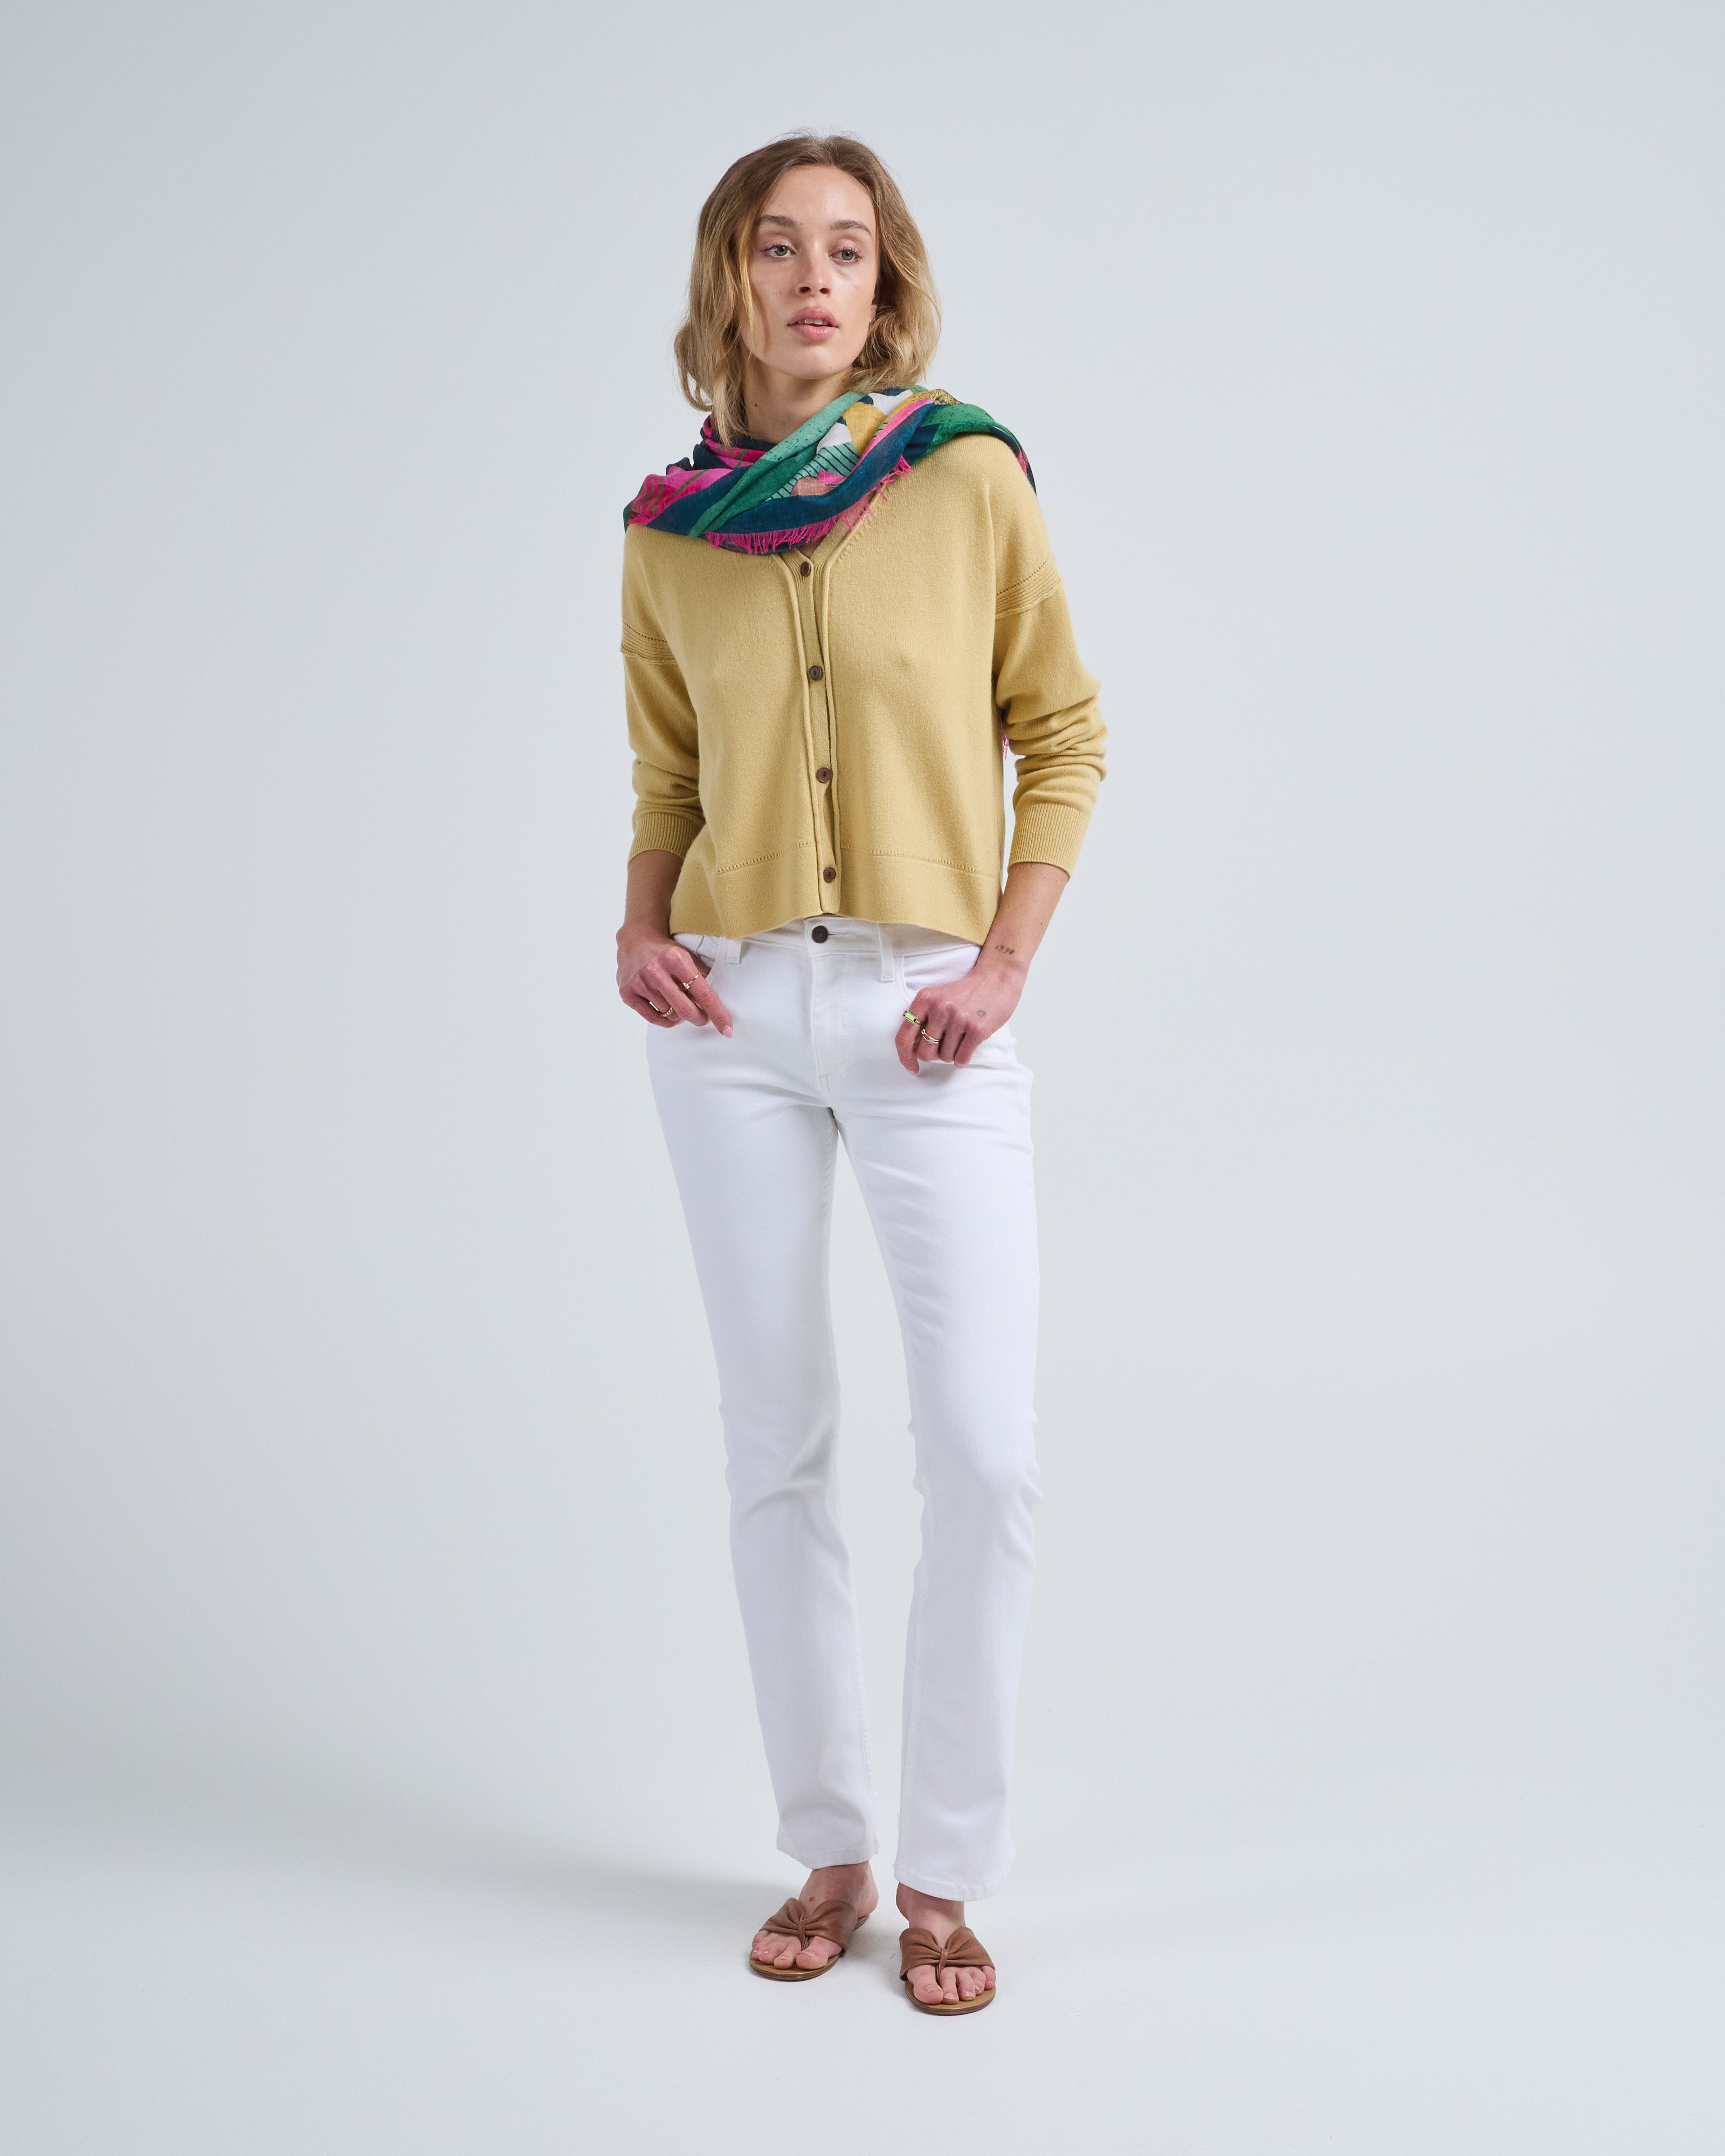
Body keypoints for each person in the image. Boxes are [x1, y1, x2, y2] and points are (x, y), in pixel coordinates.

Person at [615, 133, 1105, 2015]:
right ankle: (829, 1848)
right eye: (777, 247)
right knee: (776, 1444)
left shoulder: (964, 475)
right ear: (729, 280)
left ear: (884, 284)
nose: (814, 278)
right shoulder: (670, 529)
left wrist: (1002, 965)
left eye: (848, 248)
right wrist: (638, 927)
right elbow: (668, 772)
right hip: (730, 1019)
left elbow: (1062, 730)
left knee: (984, 1452)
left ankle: (950, 1872)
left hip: (927, 1013)